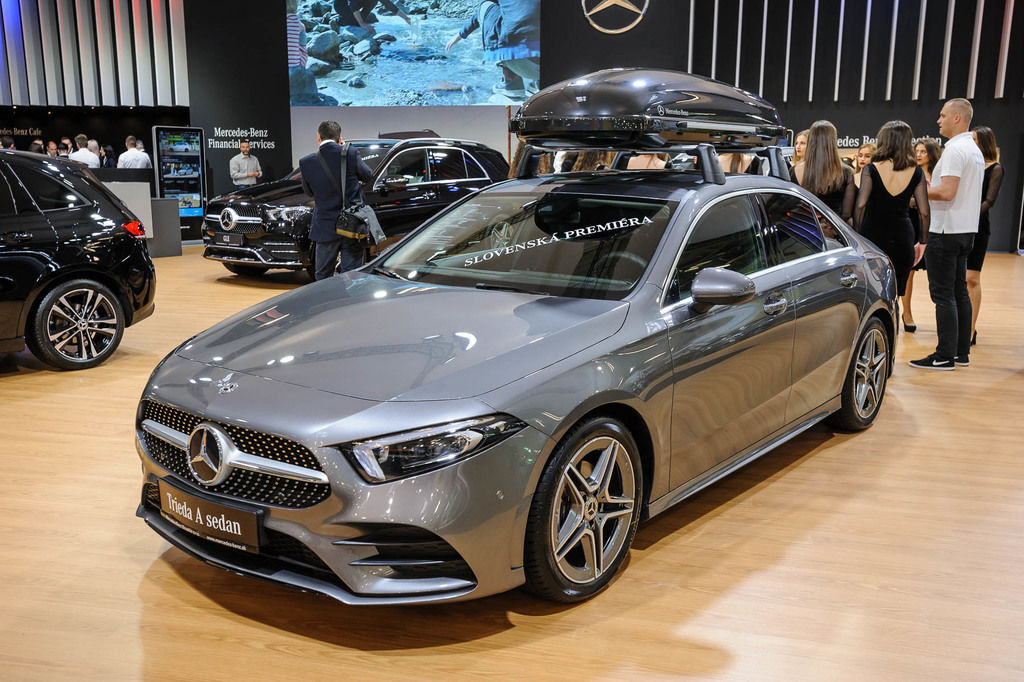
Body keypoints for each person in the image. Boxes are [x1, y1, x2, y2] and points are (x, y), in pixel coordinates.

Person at [909, 98, 985, 371]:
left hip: (946, 230)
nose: (938, 120)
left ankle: (944, 356)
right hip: (965, 229)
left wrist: (916, 192)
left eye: (942, 115)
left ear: (957, 118)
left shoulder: (954, 150)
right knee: (958, 292)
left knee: (943, 295)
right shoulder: (973, 150)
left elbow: (947, 192)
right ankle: (961, 352)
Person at [854, 121, 929, 318]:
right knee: (895, 293)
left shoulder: (871, 169)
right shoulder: (917, 171)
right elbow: (924, 212)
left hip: (873, 234)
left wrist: (857, 239)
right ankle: (894, 328)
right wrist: (923, 242)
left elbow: (860, 205)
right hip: (902, 236)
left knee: (873, 290)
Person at [299, 120, 374, 280]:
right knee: (351, 276)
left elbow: (309, 192)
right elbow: (368, 176)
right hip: (351, 225)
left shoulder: (306, 162)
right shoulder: (350, 153)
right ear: (339, 138)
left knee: (323, 276)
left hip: (324, 226)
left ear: (318, 137)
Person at [966, 125, 1003, 346]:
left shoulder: (995, 168)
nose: (970, 143)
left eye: (974, 139)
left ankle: (971, 330)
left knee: (972, 278)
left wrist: (969, 214)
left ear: (984, 142)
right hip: (959, 225)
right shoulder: (968, 164)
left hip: (978, 226)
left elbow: (989, 200)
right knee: (958, 280)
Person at [446, 1, 526, 98]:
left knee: (486, 6)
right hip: (538, 63)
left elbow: (478, 15)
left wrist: (460, 34)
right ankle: (533, 82)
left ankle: (512, 81)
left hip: (520, 58)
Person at [903, 138, 943, 330]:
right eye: (917, 151)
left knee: (937, 273)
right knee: (908, 272)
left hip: (935, 223)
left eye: (923, 151)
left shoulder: (940, 174)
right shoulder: (910, 172)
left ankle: (943, 316)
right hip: (913, 221)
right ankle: (906, 313)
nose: (918, 155)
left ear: (932, 153)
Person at [793, 120, 855, 222]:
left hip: (805, 228)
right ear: (833, 141)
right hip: (834, 228)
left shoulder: (795, 170)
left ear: (811, 140)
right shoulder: (846, 172)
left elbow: (791, 205)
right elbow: (846, 214)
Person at [334, 0, 412, 33]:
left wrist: (406, 18)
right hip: (341, 5)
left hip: (356, 5)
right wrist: (362, 24)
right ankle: (338, 21)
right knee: (356, 22)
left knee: (373, 2)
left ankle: (358, 20)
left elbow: (390, 6)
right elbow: (353, 6)